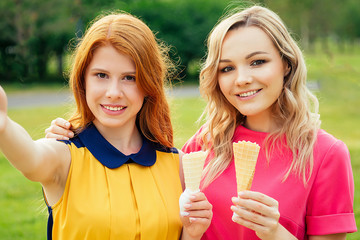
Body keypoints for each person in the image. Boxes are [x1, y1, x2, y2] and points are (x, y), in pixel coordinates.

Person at [45, 5, 357, 240]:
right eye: (226, 68)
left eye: (258, 62)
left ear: (286, 64)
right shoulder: (202, 147)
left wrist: (276, 232)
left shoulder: (326, 155)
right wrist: (73, 139)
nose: (242, 79)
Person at [0, 12, 212, 240]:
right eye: (101, 75)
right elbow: (31, 158)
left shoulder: (176, 163)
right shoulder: (64, 154)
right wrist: (3, 126)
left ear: (149, 84)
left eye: (129, 78)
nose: (113, 93)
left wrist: (191, 234)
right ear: (83, 80)